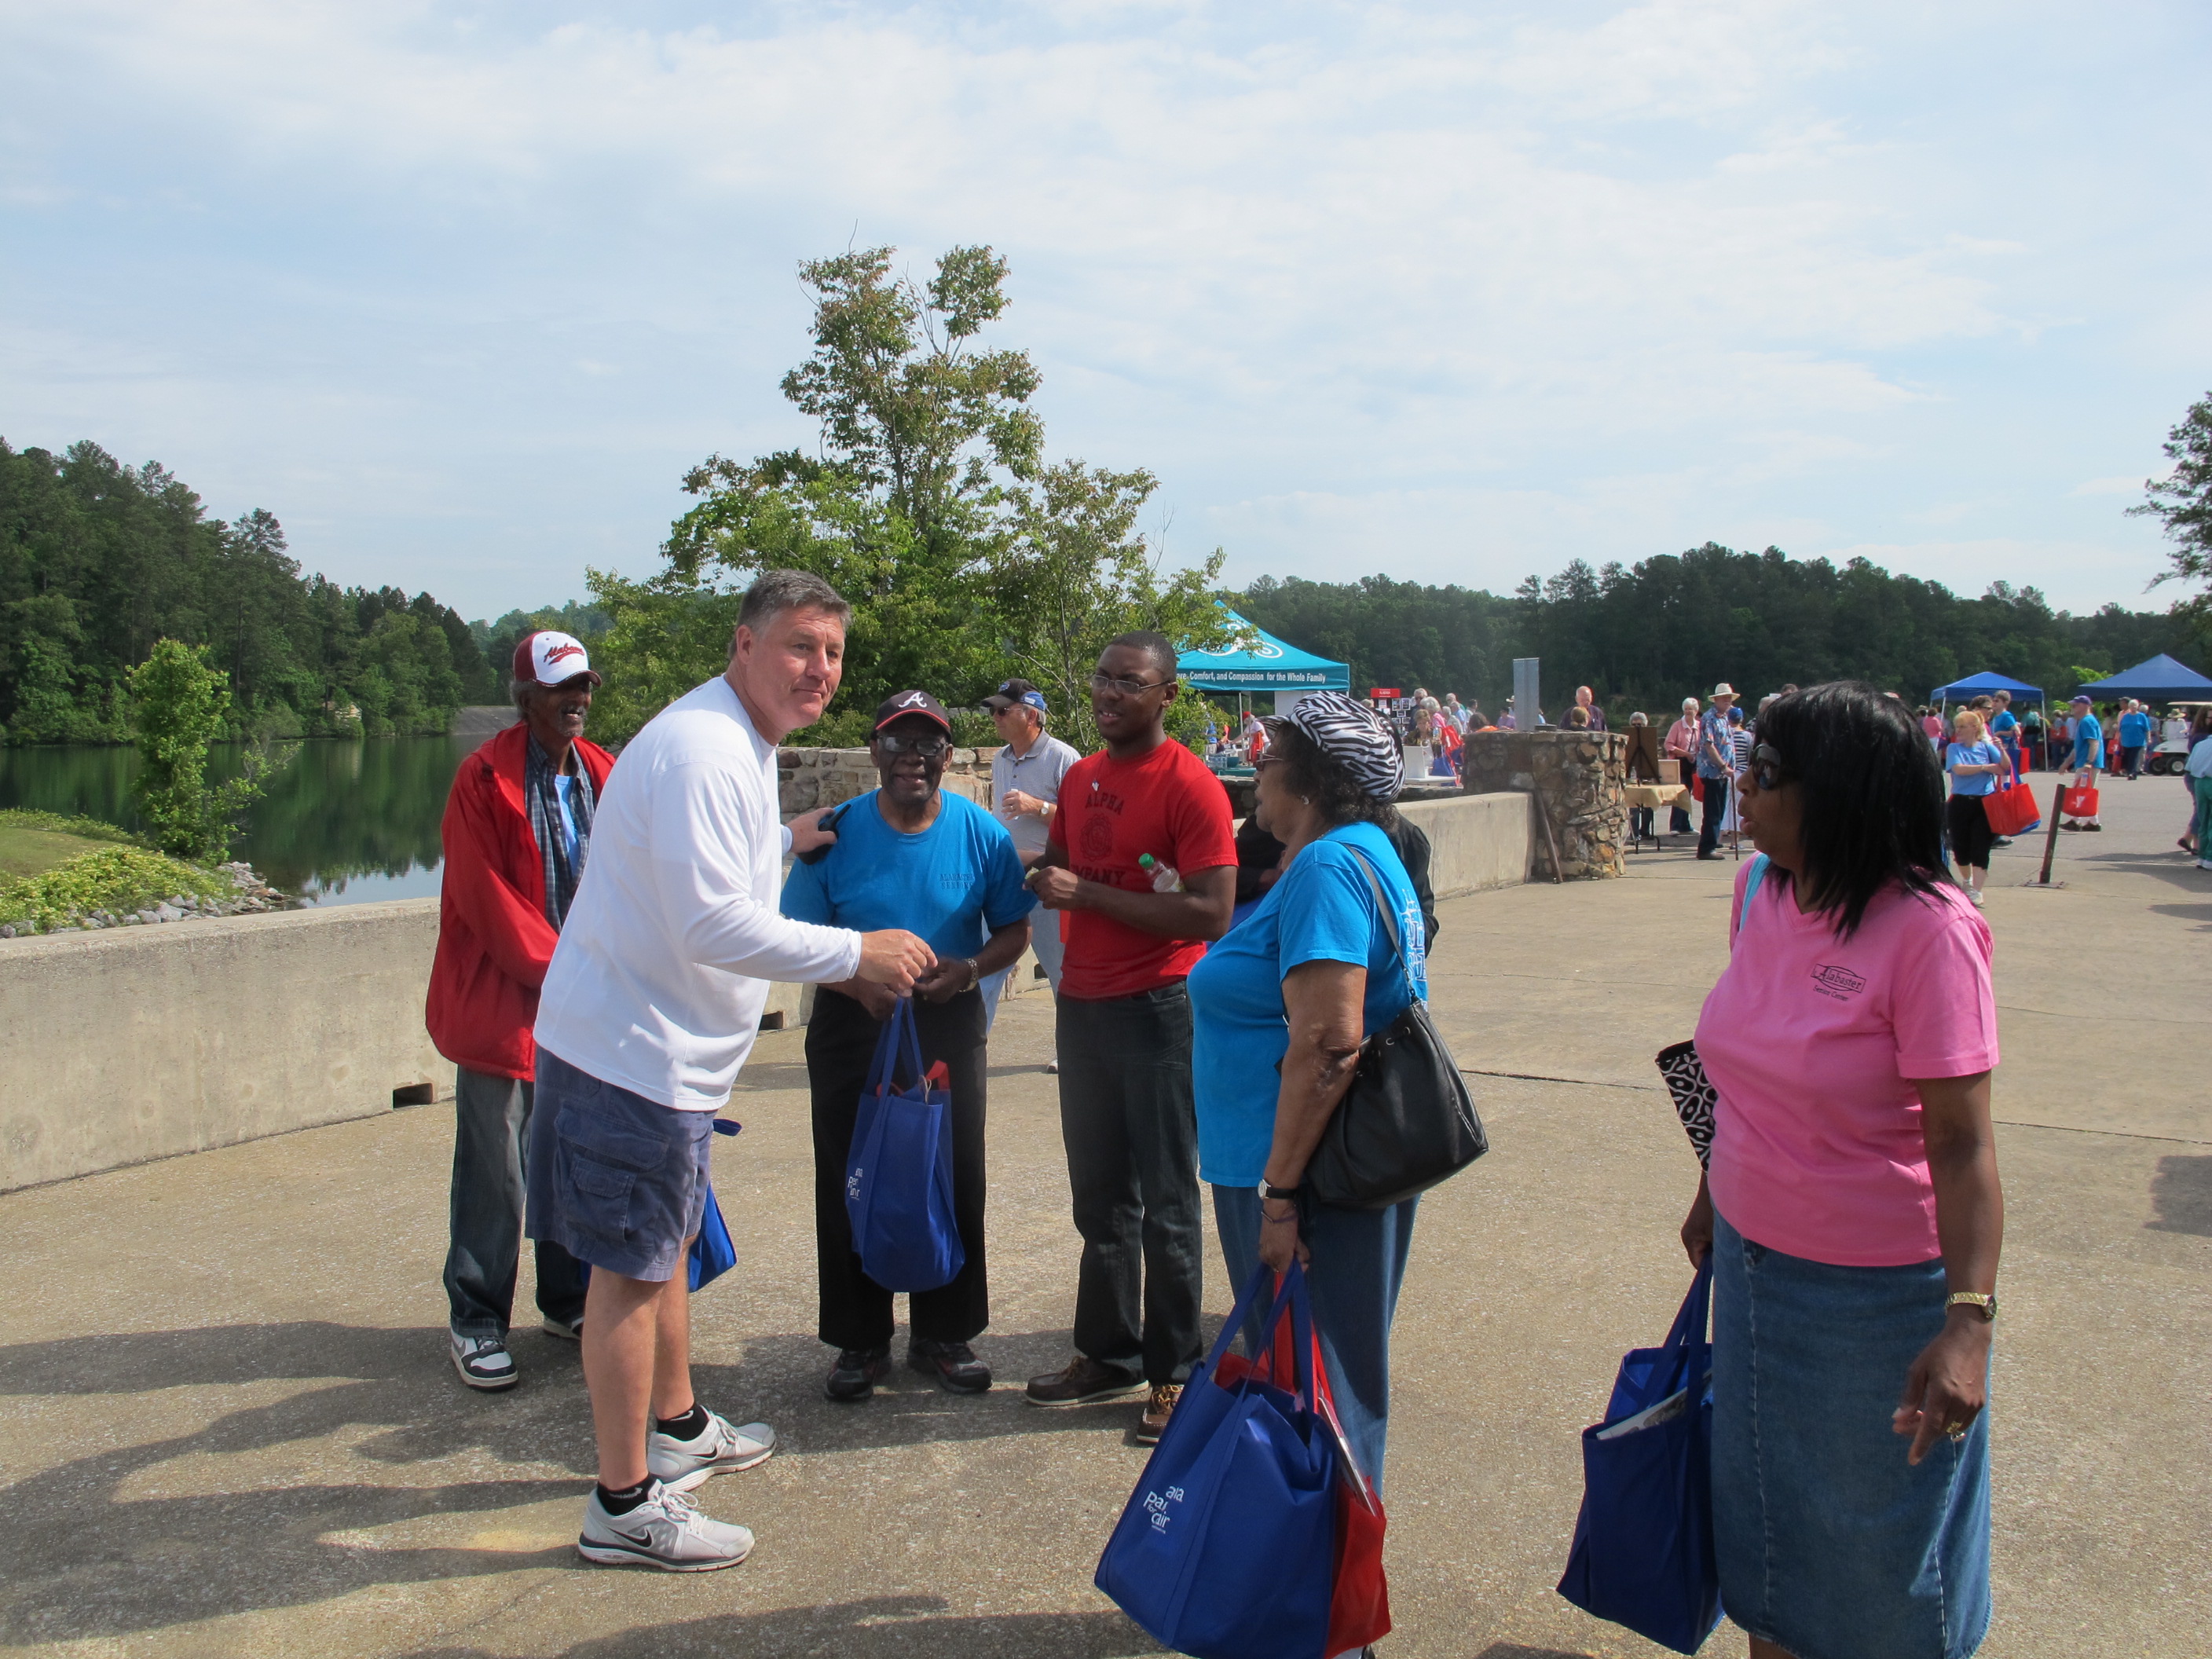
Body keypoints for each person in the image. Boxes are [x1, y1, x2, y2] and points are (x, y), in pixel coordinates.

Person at [527, 570, 936, 1573]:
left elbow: (714, 866)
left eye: (833, 653)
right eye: (800, 646)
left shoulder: (734, 740)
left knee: (659, 1247)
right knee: (627, 1272)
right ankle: (622, 1505)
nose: (821, 671)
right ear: (743, 644)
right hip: (630, 1055)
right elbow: (710, 922)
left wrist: (788, 836)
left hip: (661, 1058)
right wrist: (854, 956)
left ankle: (676, 1425)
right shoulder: (709, 750)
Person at [1680, 681, 2002, 1659]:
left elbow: (1960, 1143)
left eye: (1767, 773)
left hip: (1872, 1299)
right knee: (1767, 1524)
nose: (1741, 782)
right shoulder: (1758, 893)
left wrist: (1967, 1322)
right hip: (1749, 1265)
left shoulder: (1929, 932)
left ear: (1842, 795)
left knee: (1877, 1553)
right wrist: (1708, 1193)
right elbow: (1743, 1069)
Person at [1187, 692, 1426, 1495]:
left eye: (1270, 751)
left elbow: (1328, 1041)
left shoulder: (1328, 866)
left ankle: (1319, 1599)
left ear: (1314, 777)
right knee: (1325, 1382)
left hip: (1299, 1172)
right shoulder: (1359, 852)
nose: (1254, 762)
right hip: (1314, 1165)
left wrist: (1279, 1197)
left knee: (1313, 1388)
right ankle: (1319, 1594)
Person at [782, 690, 1036, 1402]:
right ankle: (859, 1340)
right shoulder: (835, 832)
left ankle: (945, 1333)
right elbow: (799, 942)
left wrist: (971, 972)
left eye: (928, 746)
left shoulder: (981, 832)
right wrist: (855, 982)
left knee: (951, 1173)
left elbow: (1013, 929)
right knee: (850, 1174)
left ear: (948, 757)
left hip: (945, 1017)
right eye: (897, 744)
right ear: (874, 751)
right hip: (850, 1019)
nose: (912, 759)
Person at [1023, 633, 1238, 1445]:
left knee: (1166, 1201)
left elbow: (1211, 912)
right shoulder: (1080, 778)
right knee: (1100, 1197)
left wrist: (1088, 896)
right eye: (1103, 680)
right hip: (1081, 1003)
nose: (1110, 694)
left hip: (1158, 1005)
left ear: (1166, 696)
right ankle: (1105, 1352)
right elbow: (1066, 864)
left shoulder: (1190, 785)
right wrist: (1043, 874)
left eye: (1130, 683)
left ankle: (1173, 1373)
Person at [427, 629, 612, 1391]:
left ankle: (566, 1297)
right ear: (526, 698)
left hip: (581, 999)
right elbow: (483, 898)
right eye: (561, 688)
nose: (577, 702)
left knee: (568, 1148)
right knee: (496, 1163)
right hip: (505, 996)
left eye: (584, 687)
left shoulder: (602, 771)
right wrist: (564, 968)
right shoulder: (482, 778)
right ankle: (475, 1317)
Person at [982, 677, 1080, 1049]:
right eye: (993, 710)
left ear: (1032, 715)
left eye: (1003, 710)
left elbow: (1080, 823)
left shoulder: (1063, 758)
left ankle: (1071, 1053)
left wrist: (1036, 806)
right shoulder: (1000, 758)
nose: (995, 717)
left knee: (1061, 972)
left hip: (1049, 879)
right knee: (987, 969)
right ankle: (972, 1046)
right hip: (1007, 878)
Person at [1944, 709, 2006, 906]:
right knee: (1961, 846)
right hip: (1960, 803)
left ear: (1974, 728)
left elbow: (2005, 766)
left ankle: (1977, 891)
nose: (1958, 730)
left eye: (1962, 726)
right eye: (1957, 726)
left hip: (1984, 803)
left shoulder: (1986, 748)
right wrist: (1984, 768)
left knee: (1981, 846)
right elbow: (1958, 769)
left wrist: (2001, 750)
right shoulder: (1954, 748)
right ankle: (1967, 881)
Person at [1697, 683, 1739, 860]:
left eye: (1729, 698)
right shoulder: (1710, 718)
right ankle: (1706, 848)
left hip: (1723, 772)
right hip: (1713, 771)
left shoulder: (1724, 718)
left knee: (1720, 810)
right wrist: (1723, 766)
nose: (1728, 701)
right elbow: (1709, 746)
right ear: (1716, 700)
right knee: (1713, 811)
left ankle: (1712, 843)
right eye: (1724, 698)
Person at [2060, 694, 2104, 831]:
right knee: (2085, 791)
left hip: (2088, 763)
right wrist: (2067, 762)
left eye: (2076, 705)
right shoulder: (2084, 721)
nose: (2073, 708)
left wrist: (2089, 762)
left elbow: (2094, 743)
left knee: (2082, 791)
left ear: (2086, 706)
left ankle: (2078, 820)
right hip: (2085, 761)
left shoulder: (2087, 721)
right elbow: (2078, 747)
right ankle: (2092, 822)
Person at [1623, 712, 1663, 843]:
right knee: (1634, 804)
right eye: (1634, 725)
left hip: (1647, 770)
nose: (1637, 727)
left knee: (1648, 803)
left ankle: (1645, 830)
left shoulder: (1649, 738)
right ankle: (1634, 833)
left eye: (1639, 725)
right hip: (1632, 772)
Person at [1665, 697, 1701, 834]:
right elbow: (1668, 745)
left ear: (1696, 711)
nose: (1688, 712)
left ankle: (1685, 825)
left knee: (1688, 794)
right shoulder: (1677, 726)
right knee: (1679, 793)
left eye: (1690, 709)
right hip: (1680, 763)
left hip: (1694, 764)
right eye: (1686, 709)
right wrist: (1685, 754)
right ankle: (1675, 826)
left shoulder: (1699, 726)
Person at [2189, 715, 2212, 869]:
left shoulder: (2201, 744)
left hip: (2199, 781)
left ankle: (2202, 856)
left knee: (2203, 820)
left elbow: (2190, 766)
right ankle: (2210, 857)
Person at [2119, 699, 2151, 780]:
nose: (2133, 708)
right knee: (2128, 757)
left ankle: (2132, 773)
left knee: (2134, 757)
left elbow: (2147, 729)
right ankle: (2130, 771)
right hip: (2126, 741)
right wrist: (2120, 738)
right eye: (2131, 706)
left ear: (2138, 707)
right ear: (2129, 707)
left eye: (2135, 706)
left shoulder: (2141, 716)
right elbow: (2121, 728)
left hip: (2138, 741)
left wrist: (2148, 738)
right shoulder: (2125, 716)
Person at [2019, 701, 2045, 771]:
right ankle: (2034, 765)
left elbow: (2023, 726)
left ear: (2025, 710)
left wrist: (2020, 734)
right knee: (2034, 749)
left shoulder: (2026, 715)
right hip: (2035, 733)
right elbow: (2038, 724)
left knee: (2028, 749)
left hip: (2028, 733)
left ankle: (2029, 765)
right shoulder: (2035, 715)